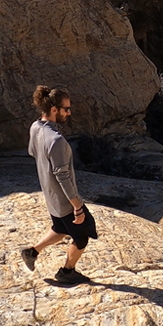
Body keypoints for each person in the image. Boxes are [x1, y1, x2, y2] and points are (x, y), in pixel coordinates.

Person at [21, 85, 97, 285]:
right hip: (65, 200)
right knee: (82, 237)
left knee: (60, 228)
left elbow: (32, 151)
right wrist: (77, 207)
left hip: (50, 196)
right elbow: (63, 176)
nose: (69, 113)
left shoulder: (35, 127)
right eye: (66, 109)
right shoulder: (56, 140)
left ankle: (31, 252)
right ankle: (67, 272)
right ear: (54, 110)